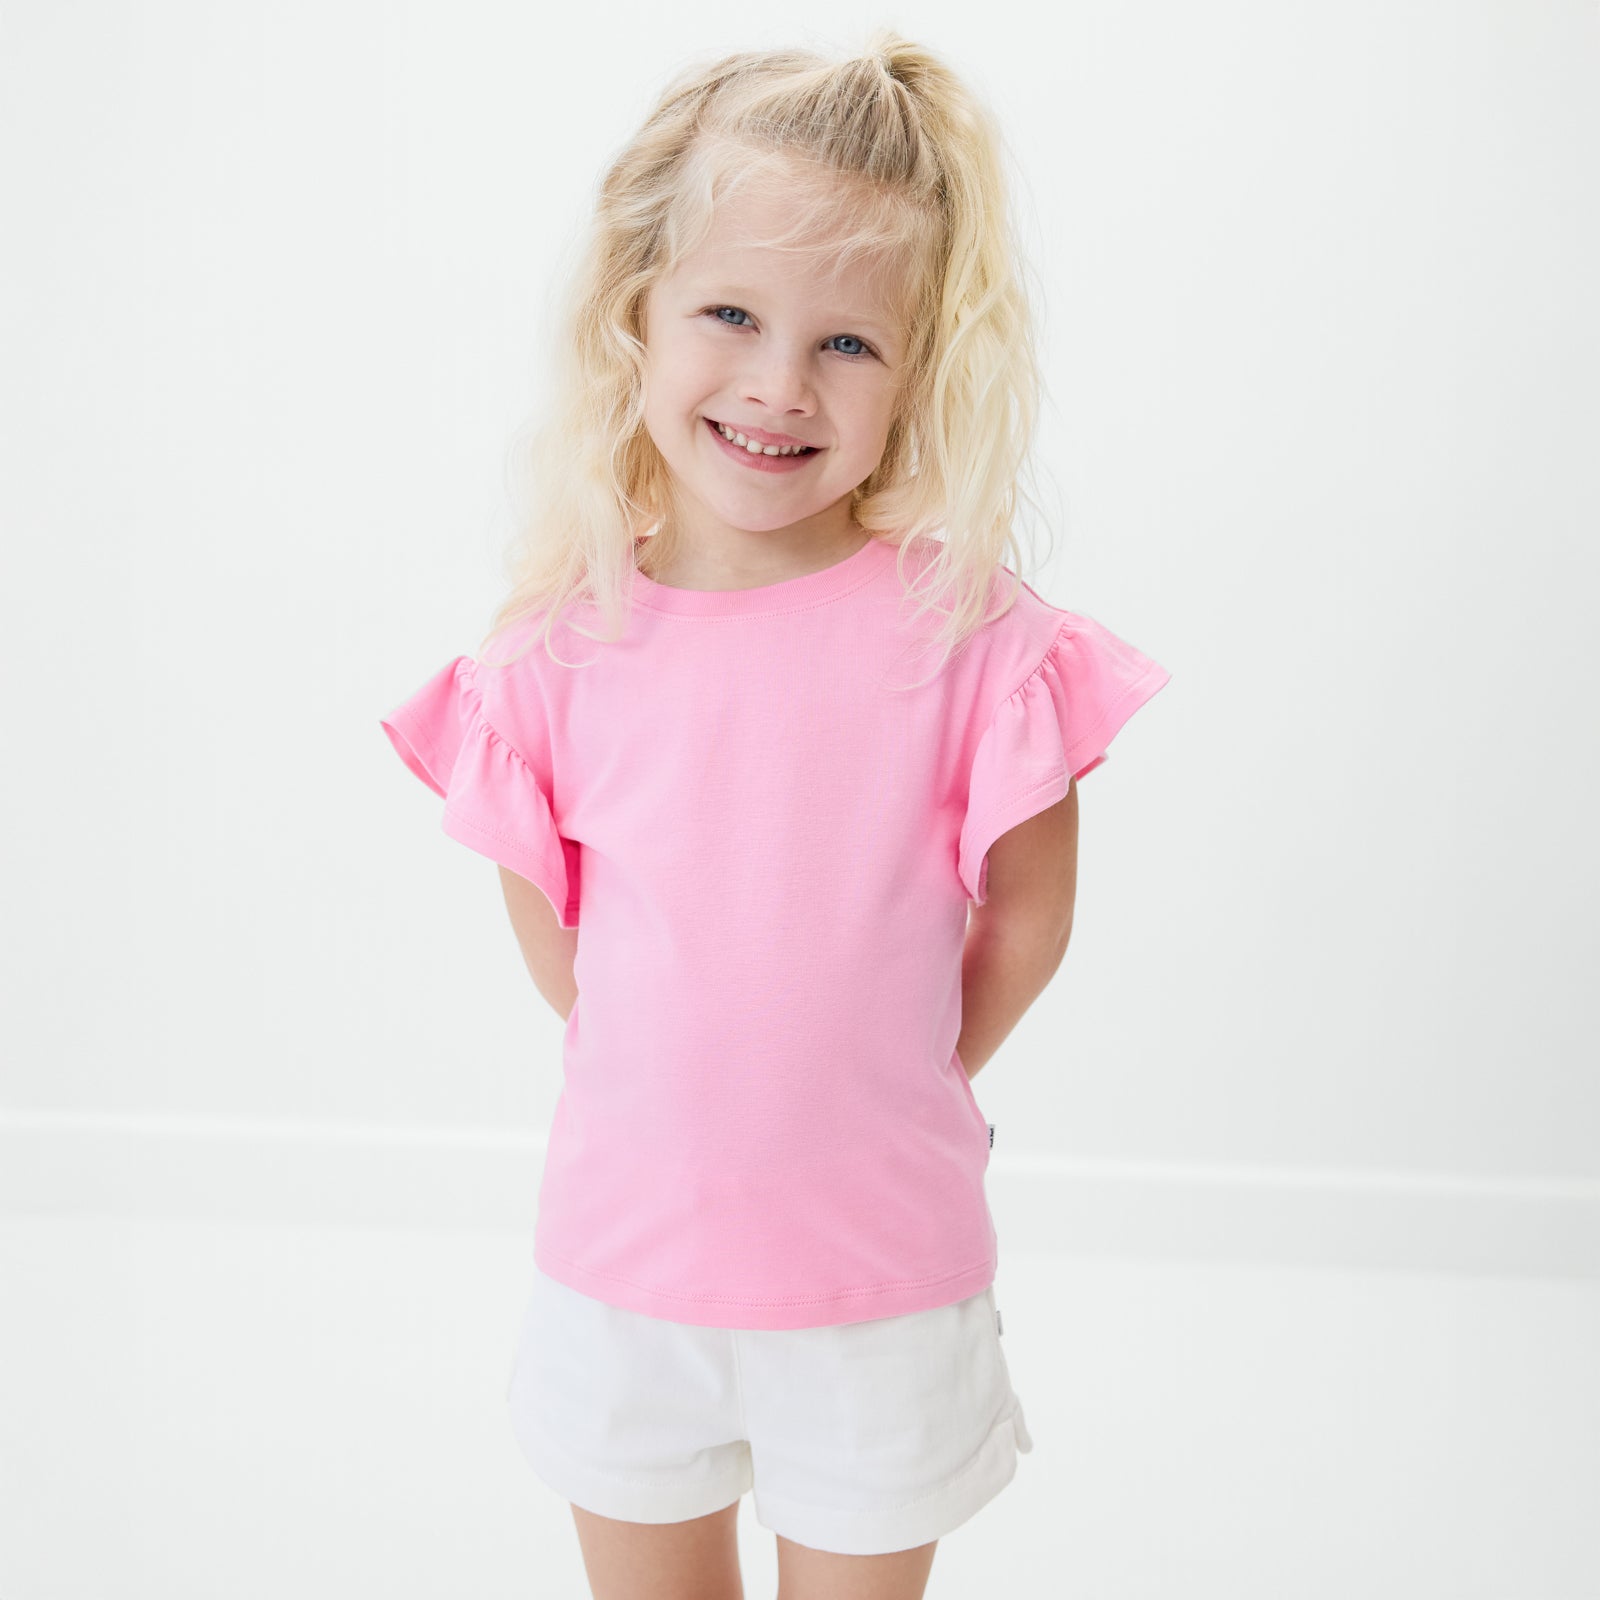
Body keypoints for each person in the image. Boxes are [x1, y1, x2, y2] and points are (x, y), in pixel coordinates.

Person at [379, 31, 1171, 1600]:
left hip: (878, 1290)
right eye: (731, 314)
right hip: (626, 1282)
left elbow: (1029, 921)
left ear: (920, 370)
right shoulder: (554, 650)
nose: (776, 384)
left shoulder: (964, 640)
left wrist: (881, 1072)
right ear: (637, 319)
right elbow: (569, 940)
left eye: (847, 345)